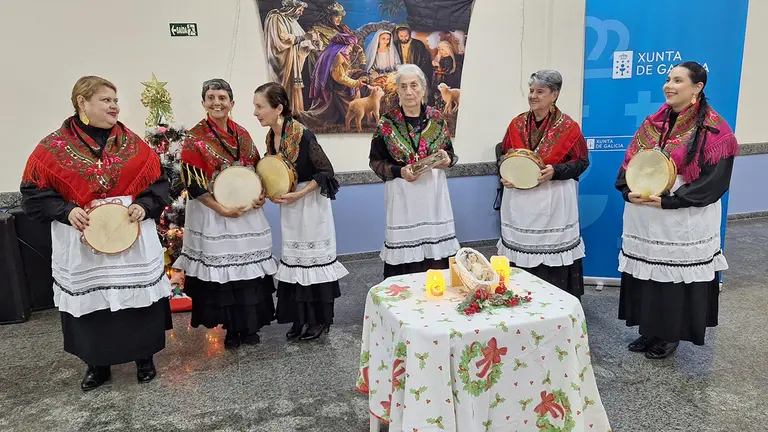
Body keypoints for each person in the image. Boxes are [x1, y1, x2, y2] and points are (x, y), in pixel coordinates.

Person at [20, 76, 172, 391]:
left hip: (130, 234)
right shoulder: (52, 147)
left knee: (137, 301)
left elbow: (158, 184)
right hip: (83, 239)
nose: (114, 106)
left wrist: (145, 205)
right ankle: (96, 364)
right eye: (106, 100)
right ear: (82, 102)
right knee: (93, 305)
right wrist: (64, 211)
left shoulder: (134, 144)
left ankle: (144, 357)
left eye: (115, 100)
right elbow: (33, 194)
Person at [615, 62, 737, 359]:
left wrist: (672, 200)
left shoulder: (713, 128)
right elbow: (632, 163)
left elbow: (715, 181)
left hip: (683, 216)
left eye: (678, 81)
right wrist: (626, 189)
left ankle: (669, 334)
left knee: (673, 278)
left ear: (698, 87)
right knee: (648, 274)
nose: (669, 85)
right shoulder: (652, 123)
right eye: (668, 79)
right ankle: (649, 328)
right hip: (646, 214)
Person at [173, 79, 278, 349]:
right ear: (203, 103)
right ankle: (231, 329)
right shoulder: (194, 138)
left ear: (232, 103)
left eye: (222, 97)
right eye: (211, 97)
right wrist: (221, 208)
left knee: (249, 276)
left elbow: (257, 169)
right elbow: (193, 183)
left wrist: (261, 194)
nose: (217, 102)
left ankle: (250, 327)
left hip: (246, 215)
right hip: (213, 214)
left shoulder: (242, 134)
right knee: (225, 276)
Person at [253, 82, 348, 341]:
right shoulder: (270, 137)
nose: (255, 112)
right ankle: (299, 318)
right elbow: (273, 170)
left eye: (260, 106)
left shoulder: (303, 134)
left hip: (311, 203)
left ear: (279, 108)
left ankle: (319, 321)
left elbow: (326, 172)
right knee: (295, 261)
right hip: (292, 206)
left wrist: (299, 193)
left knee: (313, 261)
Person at [496, 70, 589, 298]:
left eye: (540, 91)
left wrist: (555, 171)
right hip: (519, 201)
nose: (533, 96)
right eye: (531, 90)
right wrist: (504, 172)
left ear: (554, 94)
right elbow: (503, 155)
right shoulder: (516, 123)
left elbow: (582, 162)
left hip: (553, 201)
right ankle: (518, 298)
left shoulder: (569, 127)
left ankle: (556, 300)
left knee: (551, 255)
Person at [368, 64, 460, 277]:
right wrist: (401, 171)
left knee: (435, 257)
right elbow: (375, 162)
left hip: (433, 196)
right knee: (404, 258)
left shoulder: (437, 118)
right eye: (403, 87)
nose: (409, 92)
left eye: (414, 85)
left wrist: (447, 159)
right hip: (402, 197)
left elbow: (449, 152)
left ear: (423, 88)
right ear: (398, 91)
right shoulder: (387, 122)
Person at [300, 33, 368, 128]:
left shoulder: (331, 53)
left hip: (331, 85)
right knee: (356, 91)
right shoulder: (338, 57)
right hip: (334, 88)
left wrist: (354, 71)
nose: (351, 49)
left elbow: (341, 72)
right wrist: (356, 83)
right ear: (342, 46)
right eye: (350, 46)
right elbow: (340, 78)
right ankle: (354, 118)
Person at [263, 0, 318, 112]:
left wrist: (313, 44)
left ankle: (294, 111)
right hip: (281, 60)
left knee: (293, 86)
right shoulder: (276, 17)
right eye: (300, 10)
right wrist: (303, 37)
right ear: (292, 7)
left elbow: (302, 40)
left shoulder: (292, 21)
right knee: (282, 87)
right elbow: (281, 39)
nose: (301, 13)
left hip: (292, 59)